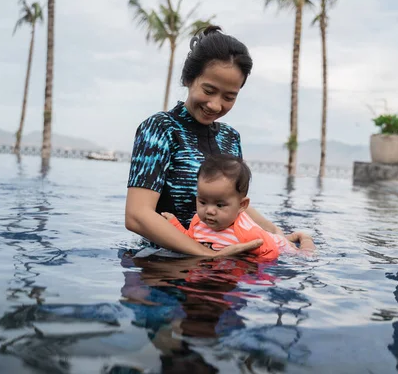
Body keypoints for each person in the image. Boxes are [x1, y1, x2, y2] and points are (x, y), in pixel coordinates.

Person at [125, 25, 282, 257]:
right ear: (189, 79)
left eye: (229, 97)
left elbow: (234, 205)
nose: (216, 105)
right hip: (164, 267)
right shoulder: (160, 128)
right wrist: (205, 254)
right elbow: (137, 215)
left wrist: (277, 234)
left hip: (222, 260)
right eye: (209, 90)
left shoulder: (230, 138)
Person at [161, 155, 316, 259]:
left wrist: (252, 269)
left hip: (275, 245)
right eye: (202, 202)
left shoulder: (247, 234)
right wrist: (174, 224)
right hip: (265, 238)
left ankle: (303, 237)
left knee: (305, 256)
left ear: (242, 205)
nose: (209, 210)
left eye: (220, 205)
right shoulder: (198, 221)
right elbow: (191, 238)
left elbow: (271, 253)